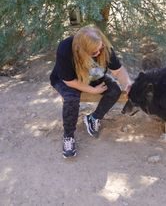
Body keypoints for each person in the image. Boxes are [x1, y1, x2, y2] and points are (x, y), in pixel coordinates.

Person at [50, 25, 132, 158]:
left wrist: (128, 84)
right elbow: (69, 81)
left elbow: (118, 71)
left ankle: (93, 118)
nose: (99, 53)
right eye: (94, 53)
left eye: (100, 49)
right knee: (71, 99)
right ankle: (68, 136)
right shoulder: (65, 49)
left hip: (92, 76)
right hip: (67, 79)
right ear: (81, 51)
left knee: (114, 90)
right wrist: (92, 90)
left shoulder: (103, 47)